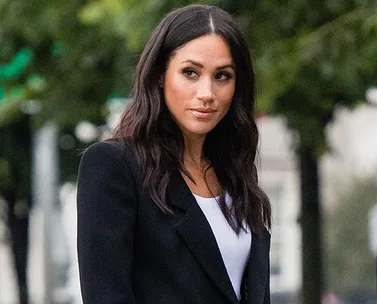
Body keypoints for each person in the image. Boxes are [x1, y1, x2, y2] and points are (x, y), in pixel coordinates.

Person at [77, 4, 271, 304]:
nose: (207, 93)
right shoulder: (114, 166)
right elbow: (106, 295)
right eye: (190, 73)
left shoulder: (237, 175)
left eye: (222, 76)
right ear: (159, 75)